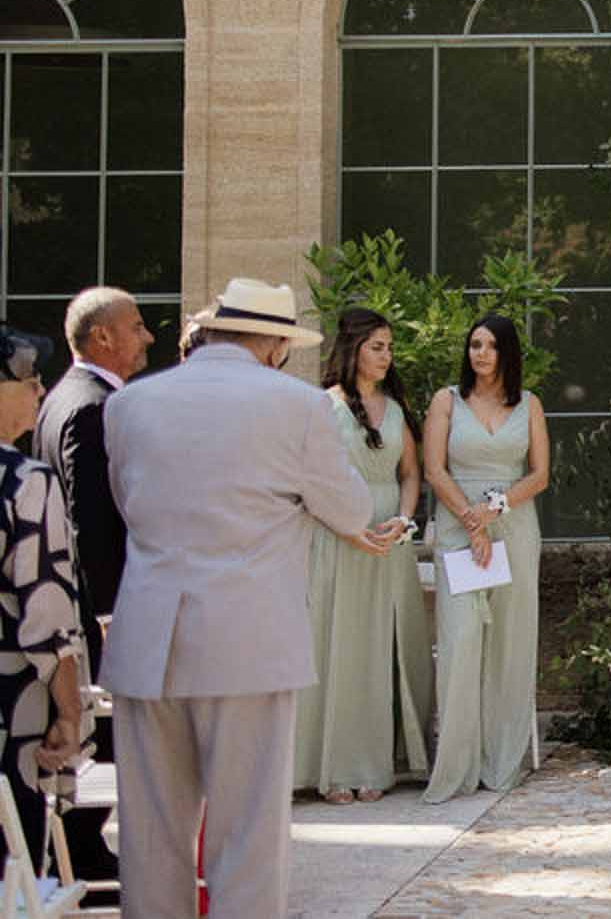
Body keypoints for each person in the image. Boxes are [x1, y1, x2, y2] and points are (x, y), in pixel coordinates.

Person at [102, 279, 372, 917]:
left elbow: (127, 503)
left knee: (150, 833)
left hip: (149, 634)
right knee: (247, 831)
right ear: (275, 343)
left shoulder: (131, 403)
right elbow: (351, 508)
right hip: (248, 638)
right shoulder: (297, 406)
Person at [32, 287, 151, 884]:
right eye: (136, 326)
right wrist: (108, 608)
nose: (148, 336)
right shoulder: (88, 405)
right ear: (103, 336)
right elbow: (90, 519)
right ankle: (81, 843)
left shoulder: (66, 396)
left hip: (87, 601)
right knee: (101, 728)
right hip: (95, 605)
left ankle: (83, 842)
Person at [293, 308, 433, 804]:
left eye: (390, 347)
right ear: (352, 349)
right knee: (341, 648)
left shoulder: (396, 410)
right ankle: (332, 767)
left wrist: (405, 518)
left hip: (388, 541)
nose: (386, 356)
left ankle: (377, 762)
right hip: (338, 539)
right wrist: (350, 529)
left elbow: (410, 473)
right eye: (378, 346)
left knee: (382, 650)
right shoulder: (321, 407)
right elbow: (308, 482)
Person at [421, 314, 550, 804]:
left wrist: (492, 510)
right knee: (462, 638)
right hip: (458, 527)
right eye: (475, 344)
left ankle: (502, 759)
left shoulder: (530, 405)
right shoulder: (446, 401)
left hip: (514, 525)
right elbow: (434, 468)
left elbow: (539, 475)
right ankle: (456, 764)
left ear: (507, 353)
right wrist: (471, 521)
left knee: (511, 640)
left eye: (492, 346)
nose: (481, 353)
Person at [0, 325, 90, 873]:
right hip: (12, 704)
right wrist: (69, 709)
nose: (40, 392)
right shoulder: (25, 481)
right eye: (31, 381)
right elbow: (46, 609)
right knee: (12, 863)